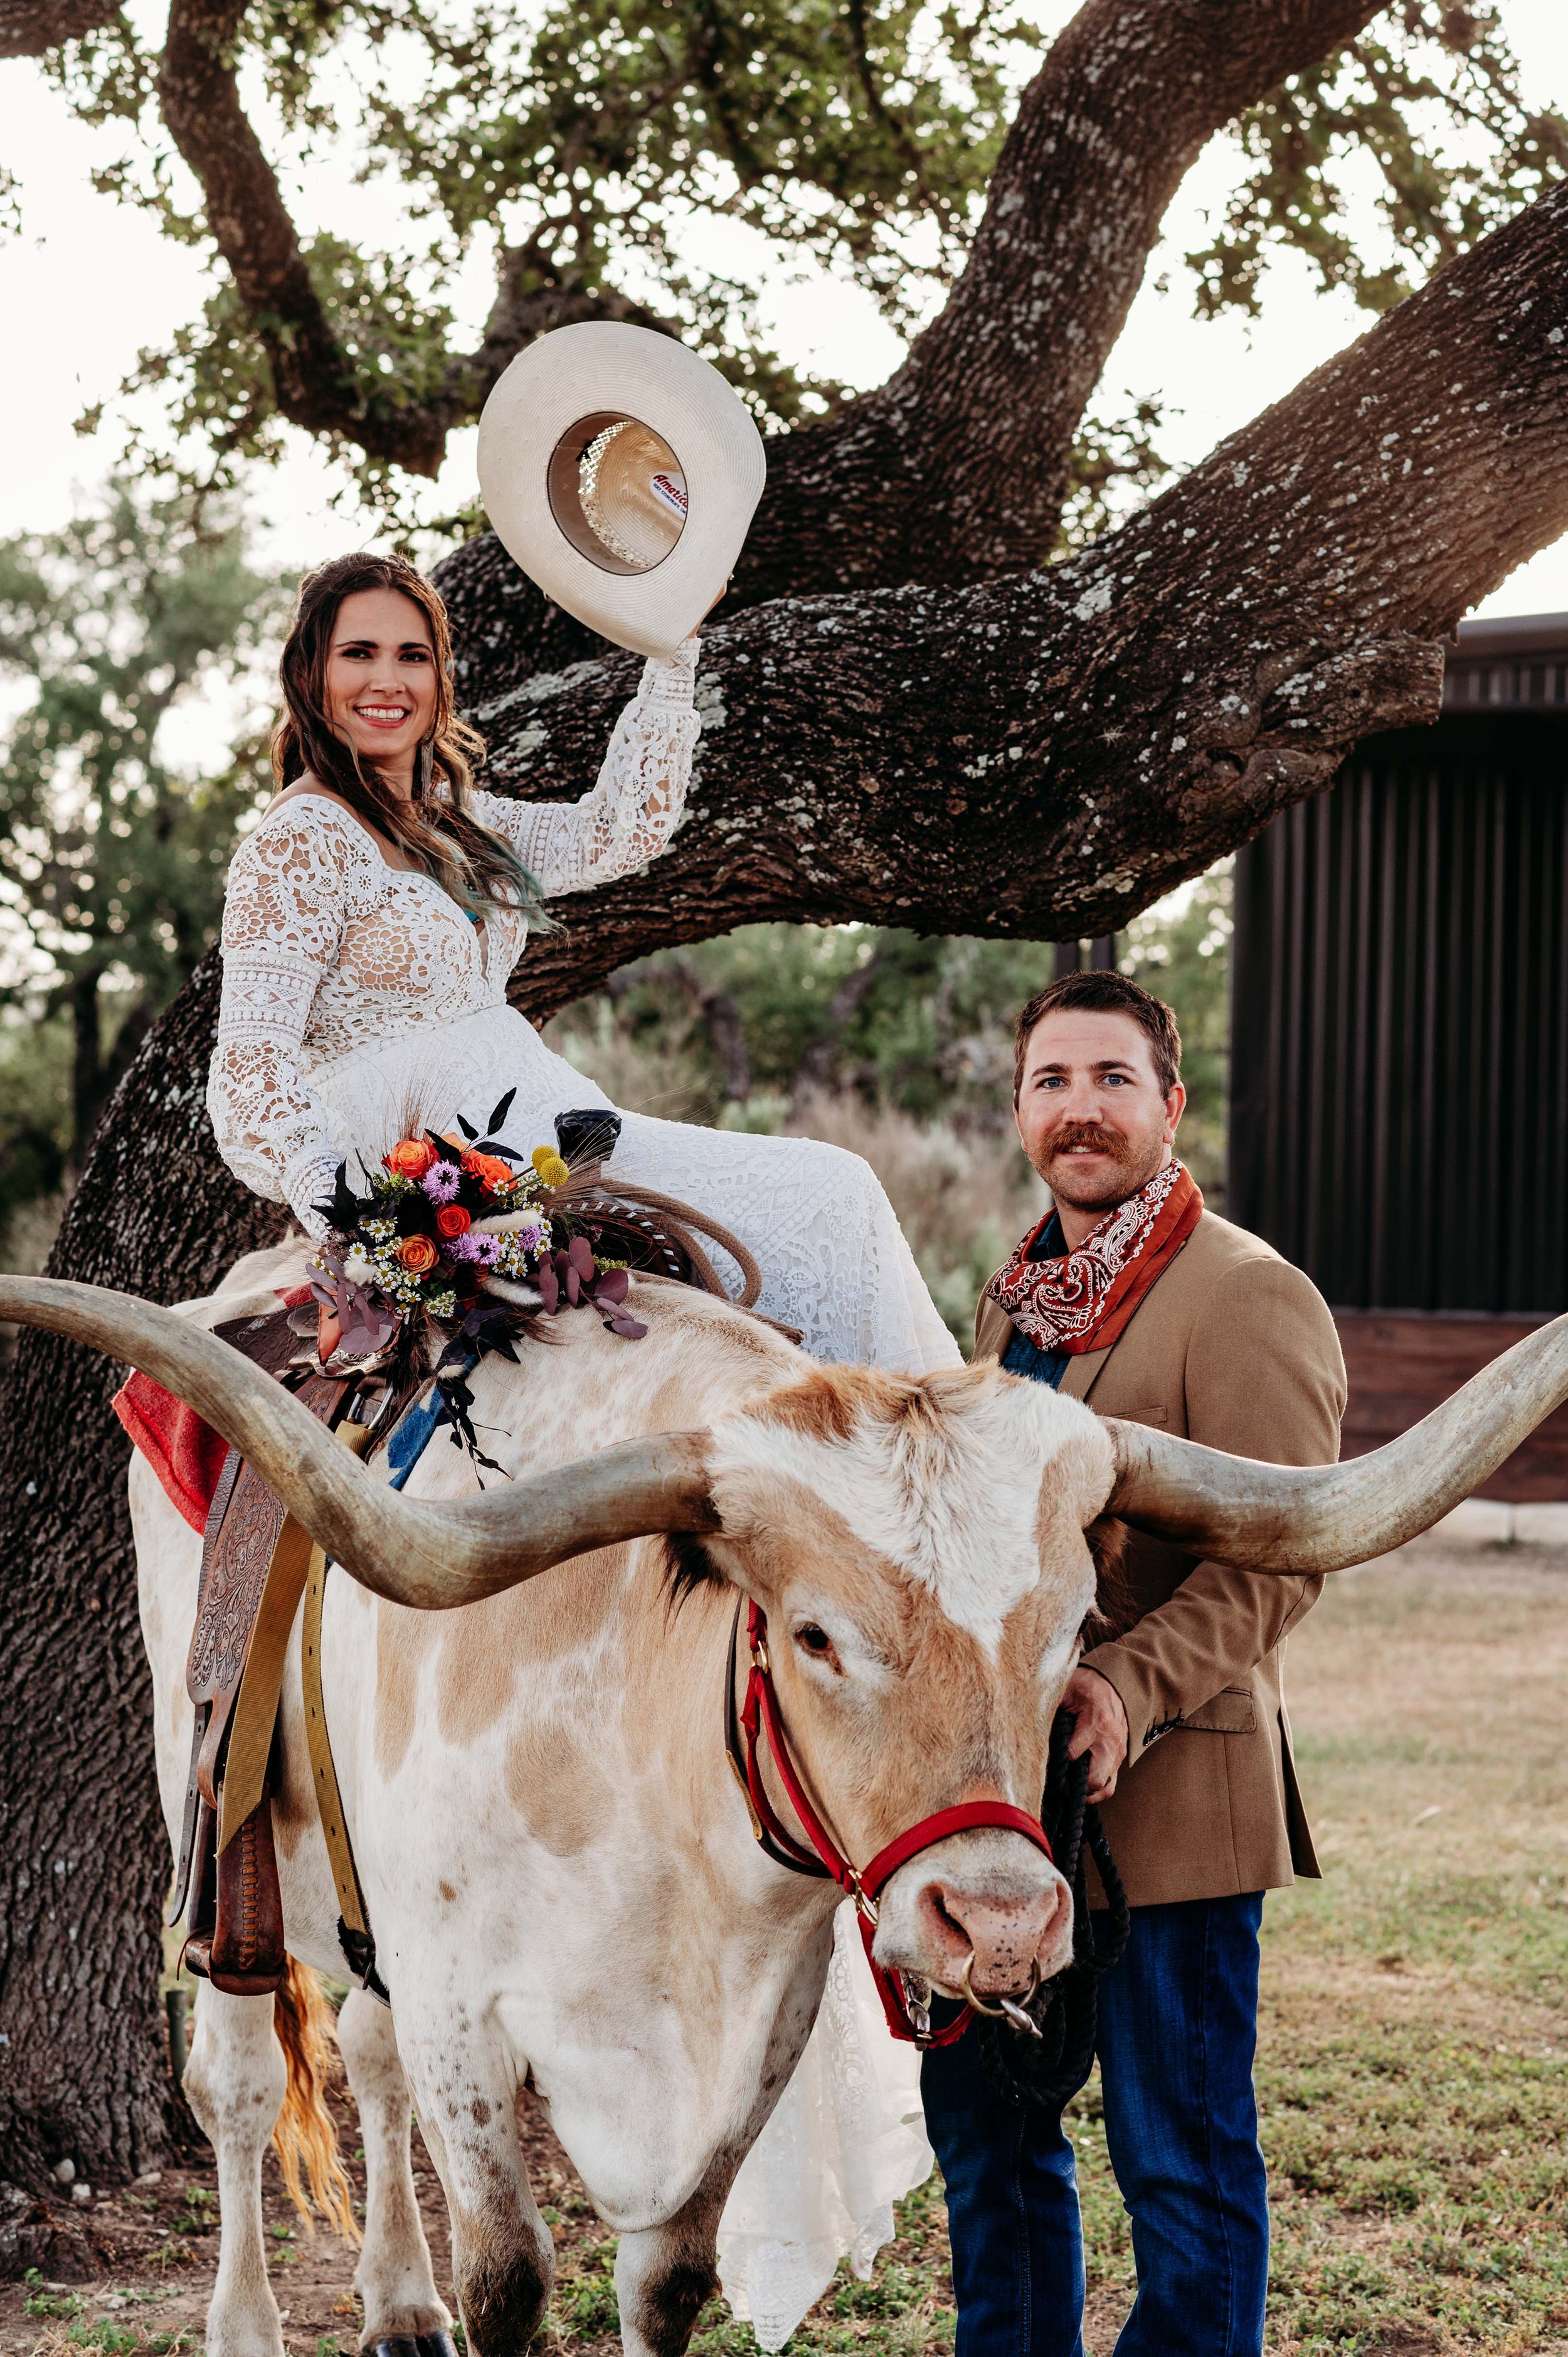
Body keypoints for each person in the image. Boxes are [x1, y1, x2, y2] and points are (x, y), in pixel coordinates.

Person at [203, 548, 958, 2345]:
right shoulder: (295, 839)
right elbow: (251, 1067)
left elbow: (624, 817)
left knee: (831, 1204)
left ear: (437, 673)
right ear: (312, 674)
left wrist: (672, 640)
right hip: (422, 1163)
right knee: (821, 1196)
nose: (385, 679)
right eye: (357, 654)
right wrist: (370, 1212)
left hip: (535, 1121)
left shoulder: (460, 822)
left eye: (411, 653)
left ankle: (908, 1531)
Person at [923, 967, 1345, 2357]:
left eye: (1110, 1079)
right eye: (1051, 1080)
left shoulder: (1246, 1296)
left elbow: (1280, 1556)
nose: (1079, 1108)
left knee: (1179, 2175)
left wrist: (1127, 1685)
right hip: (1000, 1818)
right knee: (991, 2156)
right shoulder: (1014, 1307)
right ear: (1018, 1111)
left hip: (1173, 1820)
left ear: (1170, 1104)